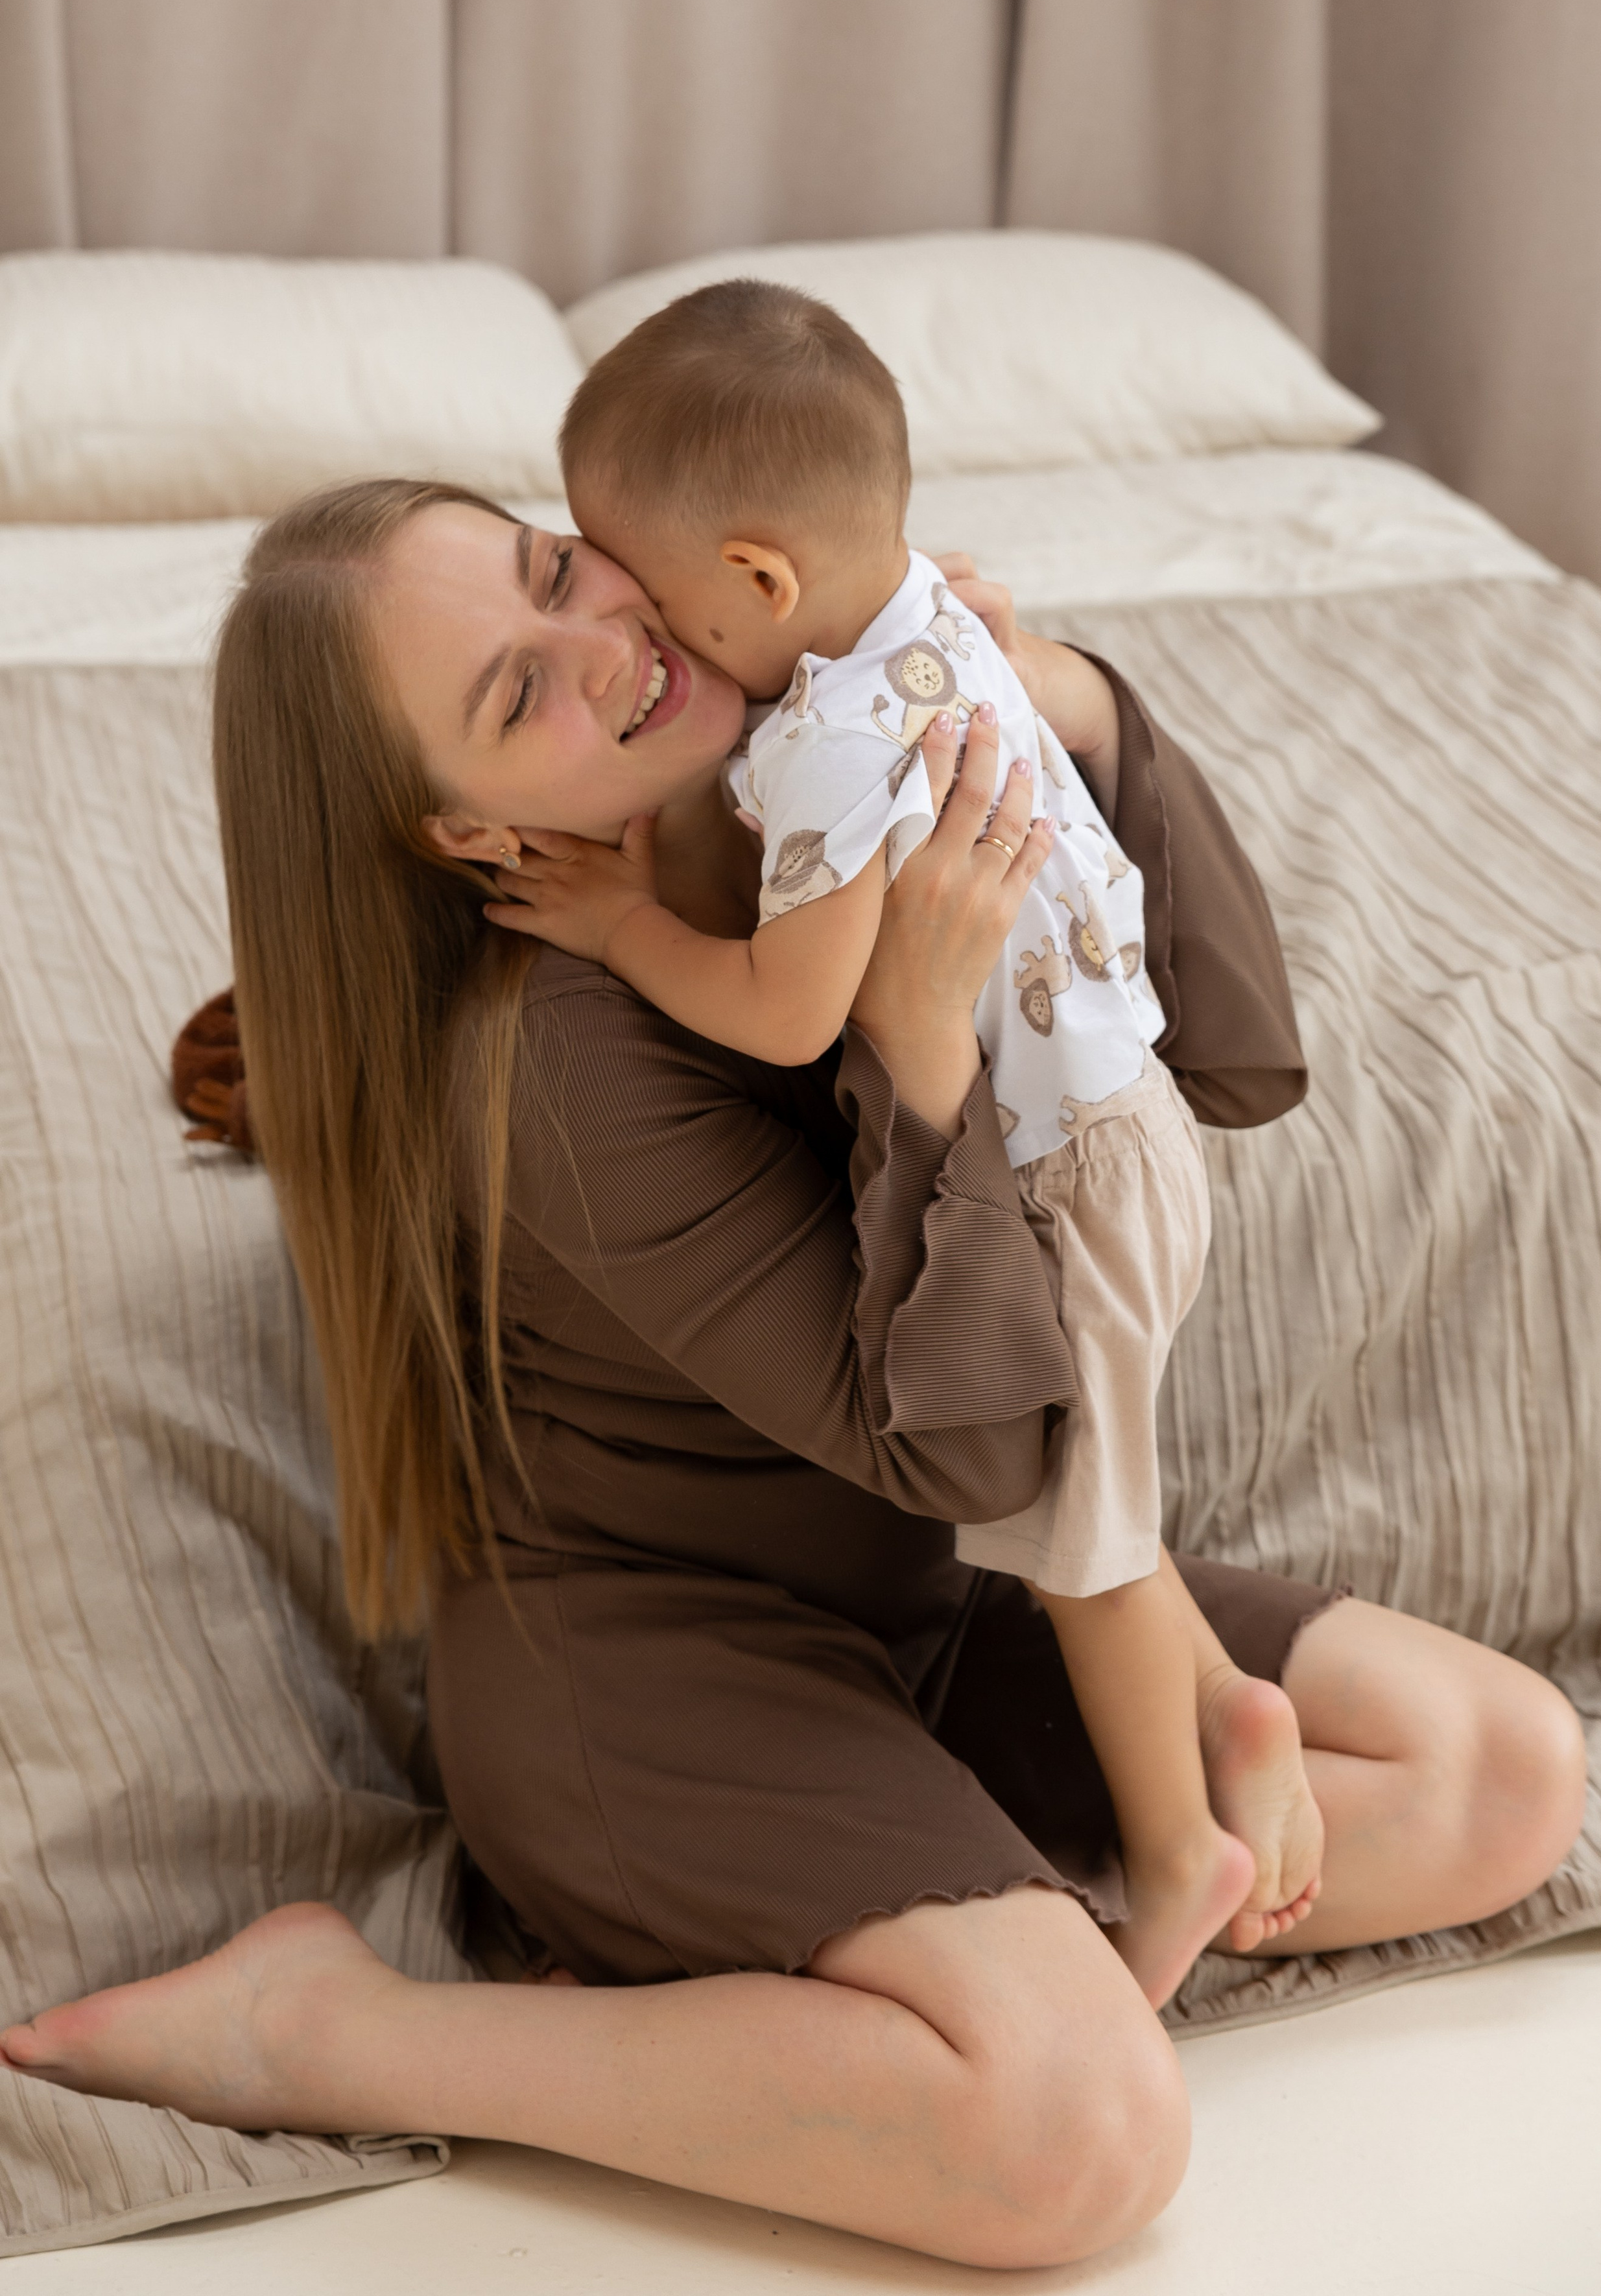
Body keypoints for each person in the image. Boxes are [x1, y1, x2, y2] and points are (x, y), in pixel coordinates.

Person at [0, 479, 1585, 2271]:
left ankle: (869, 1986)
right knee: (1079, 2143)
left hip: (921, 1618)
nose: (613, 647)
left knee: (1501, 1771)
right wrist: (915, 1049)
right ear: (463, 832)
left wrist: (1057, 696)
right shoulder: (560, 1068)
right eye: (519, 694)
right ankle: (328, 2025)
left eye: (554, 569)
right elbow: (977, 1446)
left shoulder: (810, 788)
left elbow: (1225, 1056)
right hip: (659, 1683)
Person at [486, 278, 1319, 2005]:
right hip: (1125, 1123)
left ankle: (1180, 1854)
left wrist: (622, 929)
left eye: (622, 573)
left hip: (1071, 1166)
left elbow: (792, 1015)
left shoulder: (822, 757)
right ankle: (1230, 1701)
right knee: (1100, 1477)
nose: (643, 625)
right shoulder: (934, 616)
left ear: (762, 582)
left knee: (1071, 1536)